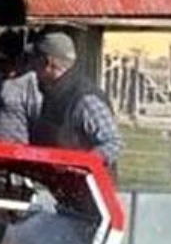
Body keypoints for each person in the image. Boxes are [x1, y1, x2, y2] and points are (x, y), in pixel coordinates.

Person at [28, 30, 122, 173]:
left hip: (89, 190)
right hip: (64, 187)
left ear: (48, 62)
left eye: (35, 59)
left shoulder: (85, 99)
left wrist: (82, 164)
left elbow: (113, 143)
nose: (32, 66)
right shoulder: (52, 93)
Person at [0, 30, 42, 144]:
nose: (1, 65)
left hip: (18, 153)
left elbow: (38, 123)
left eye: (6, 60)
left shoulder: (31, 82)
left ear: (19, 58)